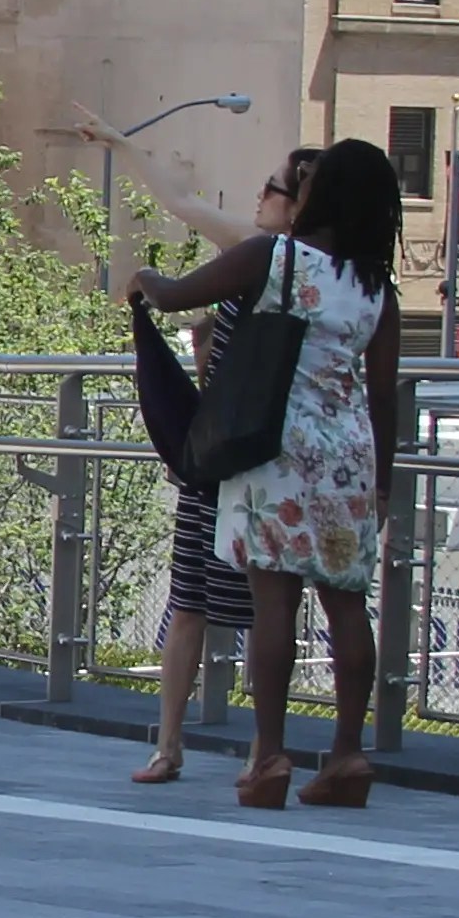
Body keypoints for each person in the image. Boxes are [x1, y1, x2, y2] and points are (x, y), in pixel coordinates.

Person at [134, 136, 402, 809]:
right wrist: (384, 483)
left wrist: (143, 280)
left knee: (273, 602)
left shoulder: (273, 258)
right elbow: (383, 394)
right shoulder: (377, 291)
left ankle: (270, 757)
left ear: (320, 196)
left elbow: (174, 297)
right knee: (345, 603)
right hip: (348, 457)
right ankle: (346, 752)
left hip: (274, 451)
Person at [119, 143, 316, 785]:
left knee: (253, 609)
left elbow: (173, 287)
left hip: (251, 462)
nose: (259, 195)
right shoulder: (261, 260)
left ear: (299, 206)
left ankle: (258, 750)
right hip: (228, 453)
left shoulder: (285, 267)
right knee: (194, 601)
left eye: (273, 188)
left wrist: (148, 283)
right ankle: (175, 743)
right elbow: (183, 203)